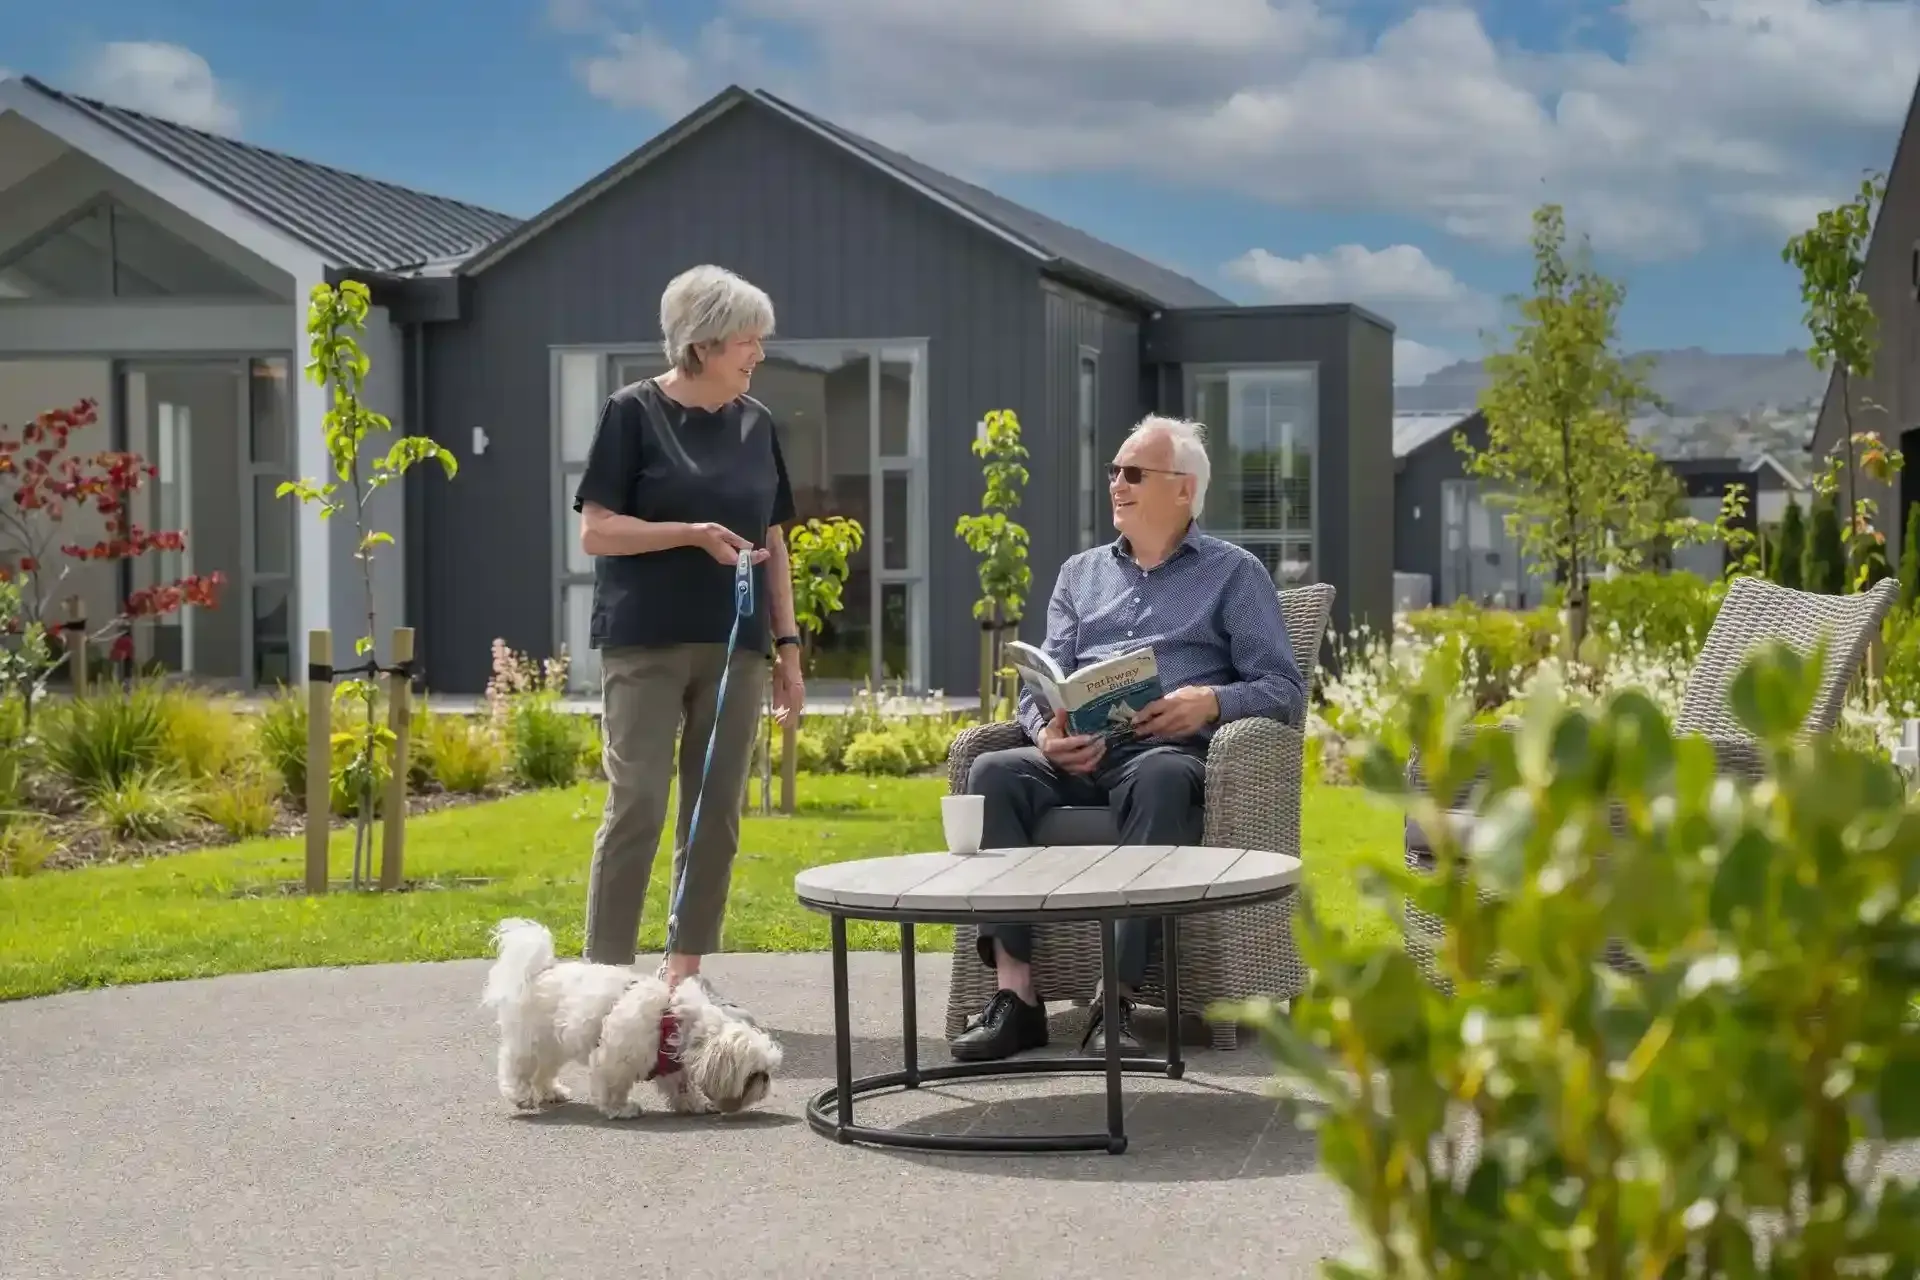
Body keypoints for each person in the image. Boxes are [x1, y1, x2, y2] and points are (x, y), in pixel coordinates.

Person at [948, 414, 1306, 1062]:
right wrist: (1046, 729)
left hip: (1169, 752)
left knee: (1161, 777)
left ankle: (1113, 1001)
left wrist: (1210, 702)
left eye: (1134, 473)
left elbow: (1284, 688)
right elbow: (1038, 682)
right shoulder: (1080, 574)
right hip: (1078, 751)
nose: (1117, 483)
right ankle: (1016, 998)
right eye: (1114, 470)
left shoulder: (1234, 574)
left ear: (1183, 489)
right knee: (994, 772)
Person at [572, 264, 805, 1014]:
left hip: (735, 646)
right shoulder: (632, 412)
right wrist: (691, 535)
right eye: (747, 341)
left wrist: (788, 646)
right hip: (644, 642)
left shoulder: (757, 423)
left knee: (714, 812)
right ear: (701, 344)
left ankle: (683, 977)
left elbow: (774, 537)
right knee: (637, 801)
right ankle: (603, 983)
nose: (758, 355)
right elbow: (596, 531)